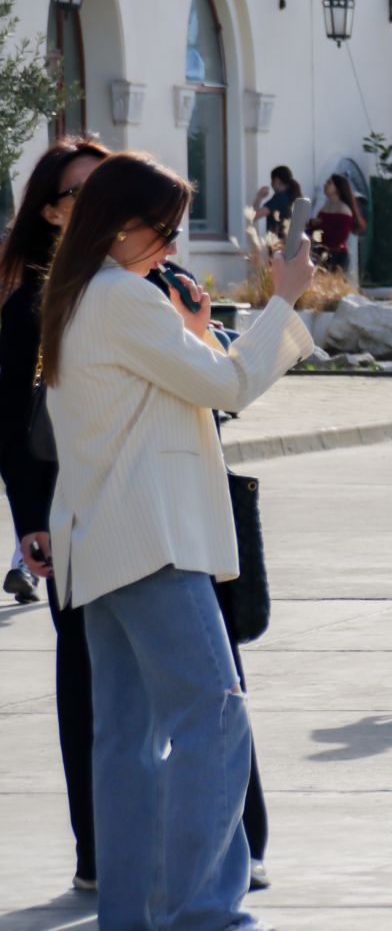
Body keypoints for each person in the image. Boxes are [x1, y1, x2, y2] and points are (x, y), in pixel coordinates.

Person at [39, 151, 315, 928]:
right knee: (214, 719)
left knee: (127, 742)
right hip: (152, 543)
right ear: (121, 225)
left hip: (102, 545)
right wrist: (283, 301)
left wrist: (193, 329)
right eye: (162, 229)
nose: (170, 243)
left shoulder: (78, 293)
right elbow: (227, 386)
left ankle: (133, 915)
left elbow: (189, 382)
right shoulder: (123, 297)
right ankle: (205, 913)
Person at [1, 136, 107, 890]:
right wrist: (30, 519)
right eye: (80, 193)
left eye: (108, 187)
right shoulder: (32, 295)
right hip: (71, 511)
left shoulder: (141, 271)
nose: (98, 205)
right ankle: (96, 850)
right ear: (48, 208)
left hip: (147, 504)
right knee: (86, 677)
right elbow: (12, 422)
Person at [307, 172, 367, 274]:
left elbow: (340, 237)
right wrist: (312, 224)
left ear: (337, 188)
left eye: (329, 183)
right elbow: (317, 231)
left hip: (337, 255)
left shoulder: (344, 209)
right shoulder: (325, 207)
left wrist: (319, 225)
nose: (325, 185)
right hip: (321, 253)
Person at [249, 165, 301, 243]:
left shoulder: (279, 198)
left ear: (276, 180)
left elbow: (253, 216)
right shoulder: (292, 196)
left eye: (272, 181)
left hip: (279, 247)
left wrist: (259, 195)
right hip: (291, 246)